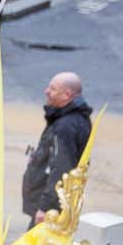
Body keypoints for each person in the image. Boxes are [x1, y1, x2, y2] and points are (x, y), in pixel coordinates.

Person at [20, 71, 90, 223]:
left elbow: (61, 168)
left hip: (51, 211)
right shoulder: (76, 120)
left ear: (67, 95)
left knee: (37, 239)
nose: (46, 91)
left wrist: (46, 207)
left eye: (53, 89)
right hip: (60, 205)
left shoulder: (65, 126)